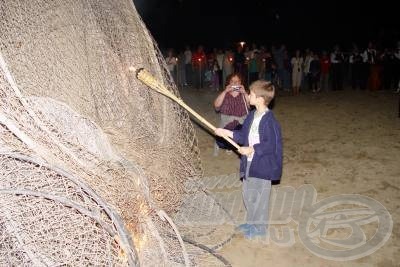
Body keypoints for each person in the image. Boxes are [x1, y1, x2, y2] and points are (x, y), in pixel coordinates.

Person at [214, 80, 283, 239]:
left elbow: (270, 145)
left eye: (251, 94)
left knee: (260, 198)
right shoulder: (252, 115)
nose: (248, 96)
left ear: (260, 99)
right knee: (248, 194)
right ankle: (252, 222)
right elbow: (243, 135)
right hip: (249, 163)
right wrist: (226, 133)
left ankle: (260, 228)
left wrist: (252, 149)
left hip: (263, 166)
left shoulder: (270, 121)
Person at [213, 73, 249, 156]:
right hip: (226, 124)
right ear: (229, 83)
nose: (235, 83)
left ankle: (231, 146)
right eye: (232, 81)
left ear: (241, 83)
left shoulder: (244, 95)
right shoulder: (225, 94)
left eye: (237, 81)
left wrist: (244, 93)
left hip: (240, 124)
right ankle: (229, 146)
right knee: (222, 142)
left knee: (240, 138)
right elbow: (216, 106)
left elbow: (250, 106)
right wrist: (225, 91)